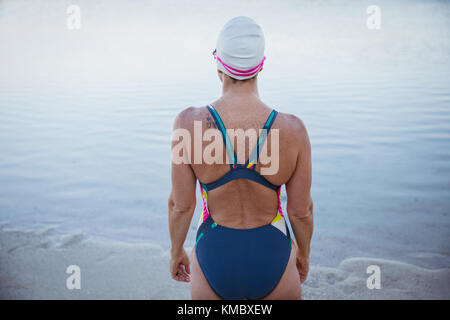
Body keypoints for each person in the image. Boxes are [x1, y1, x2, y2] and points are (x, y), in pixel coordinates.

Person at [168, 16, 313, 300]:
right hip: (275, 255)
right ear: (261, 65)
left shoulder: (187, 123)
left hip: (214, 255)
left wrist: (176, 251)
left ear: (218, 64)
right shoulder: (293, 129)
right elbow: (301, 211)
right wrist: (303, 255)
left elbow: (180, 205)